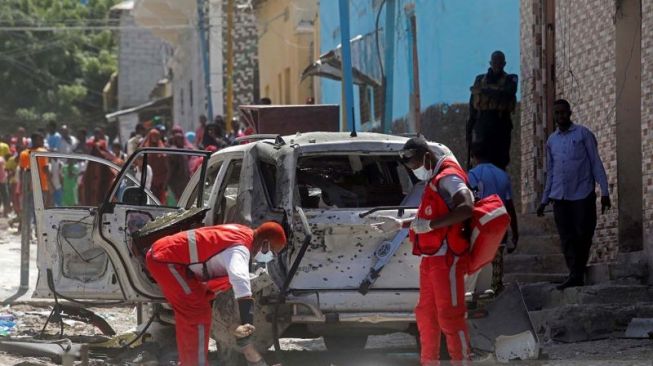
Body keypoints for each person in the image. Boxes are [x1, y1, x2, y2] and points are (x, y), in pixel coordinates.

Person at [374, 137, 474, 364]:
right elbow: (429, 217)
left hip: (446, 259)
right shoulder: (433, 180)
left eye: (415, 165)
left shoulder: (448, 178)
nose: (414, 170)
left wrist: (430, 226)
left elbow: (466, 207)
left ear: (427, 157)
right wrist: (402, 224)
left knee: (450, 317)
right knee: (426, 317)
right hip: (431, 260)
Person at [145, 222, 287, 366]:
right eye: (272, 251)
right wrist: (247, 322)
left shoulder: (244, 233)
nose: (271, 256)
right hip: (166, 260)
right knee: (196, 312)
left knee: (201, 305)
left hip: (169, 256)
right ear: (264, 242)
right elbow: (240, 281)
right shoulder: (239, 251)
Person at [536, 99, 610, 290]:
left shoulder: (583, 134)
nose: (560, 116)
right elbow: (551, 171)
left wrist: (605, 192)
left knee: (583, 233)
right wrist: (544, 200)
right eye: (557, 113)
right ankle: (574, 274)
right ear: (554, 116)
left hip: (582, 194)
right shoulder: (552, 141)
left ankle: (577, 272)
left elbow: (595, 162)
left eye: (563, 112)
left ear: (570, 113)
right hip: (560, 196)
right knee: (566, 237)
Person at [468, 143, 519, 294]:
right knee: (497, 262)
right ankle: (495, 291)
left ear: (473, 157)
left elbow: (470, 202)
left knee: (480, 264)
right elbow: (510, 206)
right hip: (499, 225)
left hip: (480, 226)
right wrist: (515, 231)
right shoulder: (502, 175)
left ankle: (482, 293)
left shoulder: (472, 175)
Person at [467, 51, 518, 170]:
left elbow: (508, 93)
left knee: (500, 160)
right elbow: (473, 105)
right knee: (481, 157)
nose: (497, 65)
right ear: (490, 63)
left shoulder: (511, 78)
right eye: (495, 62)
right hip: (482, 122)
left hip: (501, 122)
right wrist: (470, 128)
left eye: (500, 62)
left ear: (504, 64)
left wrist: (485, 91)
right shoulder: (480, 79)